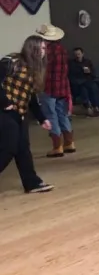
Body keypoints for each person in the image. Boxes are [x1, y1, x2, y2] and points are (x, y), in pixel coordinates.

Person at [0, 35, 54, 194]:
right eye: (42, 48)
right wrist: (5, 102)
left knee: (23, 149)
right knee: (8, 147)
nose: (44, 52)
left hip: (20, 113)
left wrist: (42, 117)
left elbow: (31, 96)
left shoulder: (34, 70)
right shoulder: (11, 61)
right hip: (4, 112)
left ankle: (31, 183)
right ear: (33, 48)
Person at [36, 24, 73, 158]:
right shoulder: (62, 49)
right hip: (62, 87)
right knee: (62, 114)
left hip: (48, 87)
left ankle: (57, 147)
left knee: (51, 115)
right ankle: (69, 143)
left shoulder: (45, 51)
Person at [69, 47, 99, 116]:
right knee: (83, 89)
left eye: (79, 54)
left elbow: (94, 74)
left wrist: (89, 72)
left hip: (88, 81)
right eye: (76, 54)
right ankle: (89, 107)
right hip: (78, 83)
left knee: (93, 87)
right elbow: (71, 76)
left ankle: (95, 106)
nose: (77, 56)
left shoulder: (88, 62)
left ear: (82, 54)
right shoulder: (72, 63)